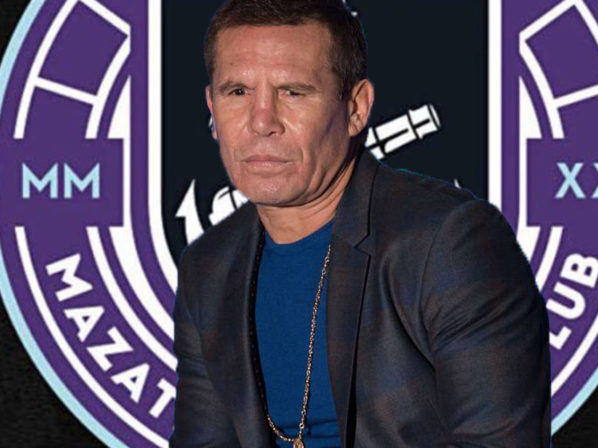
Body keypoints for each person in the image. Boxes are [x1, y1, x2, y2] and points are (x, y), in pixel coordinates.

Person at [170, 0, 551, 446]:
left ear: (356, 108)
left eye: (293, 92)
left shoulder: (449, 243)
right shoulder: (208, 267)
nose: (261, 122)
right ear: (211, 109)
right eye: (238, 92)